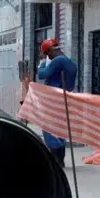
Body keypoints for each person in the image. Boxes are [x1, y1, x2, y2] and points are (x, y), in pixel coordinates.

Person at [37, 38, 78, 168]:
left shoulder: (58, 61)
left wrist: (42, 63)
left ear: (50, 50)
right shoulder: (70, 62)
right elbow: (70, 85)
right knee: (60, 129)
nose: (48, 57)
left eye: (47, 54)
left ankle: (56, 160)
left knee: (49, 129)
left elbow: (42, 75)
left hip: (53, 99)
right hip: (63, 99)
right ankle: (60, 160)